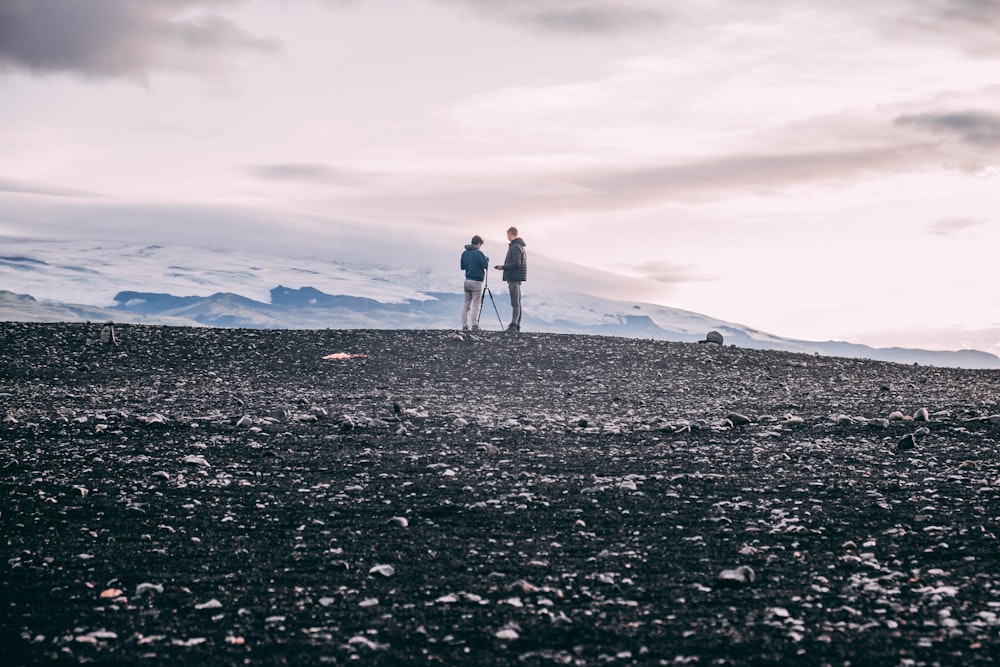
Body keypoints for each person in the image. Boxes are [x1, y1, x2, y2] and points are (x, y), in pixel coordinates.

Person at [494, 226, 526, 332]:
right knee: (517, 302)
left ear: (511, 234)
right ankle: (517, 325)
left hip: (514, 277)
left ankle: (513, 325)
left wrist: (503, 267)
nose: (507, 236)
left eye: (507, 234)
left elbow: (517, 263)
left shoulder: (515, 247)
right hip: (517, 278)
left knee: (515, 302)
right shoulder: (519, 246)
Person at [460, 235, 489, 331]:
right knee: (476, 304)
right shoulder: (478, 253)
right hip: (476, 282)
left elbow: (462, 267)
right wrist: (485, 259)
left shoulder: (464, 253)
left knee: (466, 304)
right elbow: (485, 265)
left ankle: (464, 326)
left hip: (467, 281)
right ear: (479, 244)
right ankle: (474, 325)